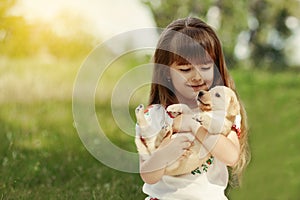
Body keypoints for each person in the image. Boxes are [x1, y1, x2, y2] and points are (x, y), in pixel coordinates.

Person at [136, 17, 250, 200]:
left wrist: (194, 126)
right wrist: (165, 153)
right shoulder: (153, 116)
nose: (197, 76)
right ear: (166, 72)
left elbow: (231, 156)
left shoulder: (221, 112)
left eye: (205, 67)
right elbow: (149, 175)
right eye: (185, 69)